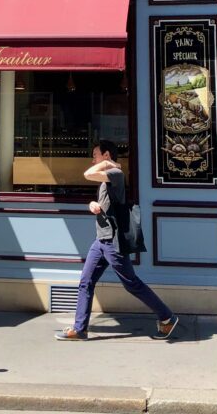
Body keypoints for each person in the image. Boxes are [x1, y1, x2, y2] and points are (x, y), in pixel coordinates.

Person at [55, 140, 179, 341]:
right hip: (101, 240)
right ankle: (79, 329)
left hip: (112, 242)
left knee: (132, 284)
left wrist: (108, 164)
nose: (92, 158)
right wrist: (93, 203)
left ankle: (167, 318)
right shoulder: (107, 178)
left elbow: (87, 174)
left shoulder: (116, 174)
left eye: (95, 154)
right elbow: (104, 201)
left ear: (105, 155)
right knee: (86, 282)